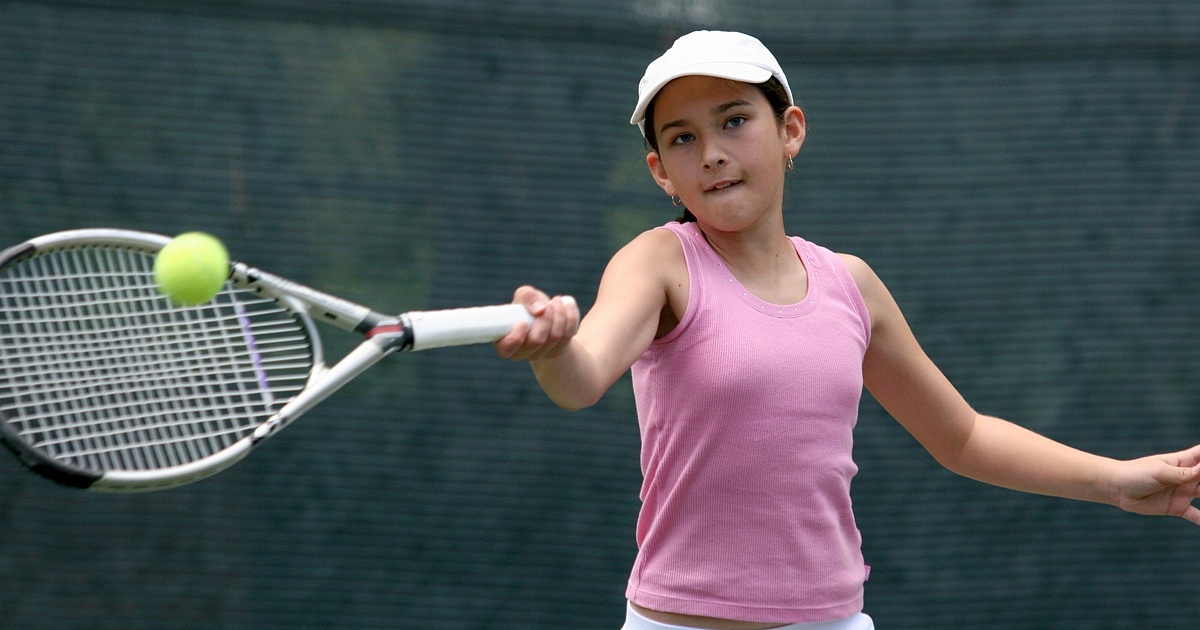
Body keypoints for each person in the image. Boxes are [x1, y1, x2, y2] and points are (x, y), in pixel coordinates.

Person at [493, 30, 1200, 630]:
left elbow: (962, 436)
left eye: (734, 121)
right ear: (661, 172)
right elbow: (582, 378)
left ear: (790, 130)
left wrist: (1115, 481)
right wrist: (554, 349)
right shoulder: (657, 262)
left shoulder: (850, 285)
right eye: (683, 138)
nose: (711, 152)